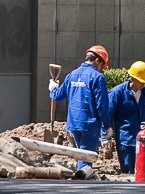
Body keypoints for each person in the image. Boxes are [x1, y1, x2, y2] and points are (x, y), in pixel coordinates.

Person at [48, 45, 112, 173]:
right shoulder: (97, 77)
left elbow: (58, 95)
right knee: (84, 157)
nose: (101, 69)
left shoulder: (72, 74)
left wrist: (53, 88)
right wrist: (106, 126)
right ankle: (82, 184)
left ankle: (81, 175)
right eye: (101, 65)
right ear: (97, 60)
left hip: (73, 124)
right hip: (90, 124)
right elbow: (102, 106)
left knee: (81, 155)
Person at [105, 61, 145, 174]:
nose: (143, 85)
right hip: (126, 141)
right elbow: (107, 116)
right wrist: (105, 136)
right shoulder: (117, 93)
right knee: (128, 172)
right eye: (141, 82)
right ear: (132, 79)